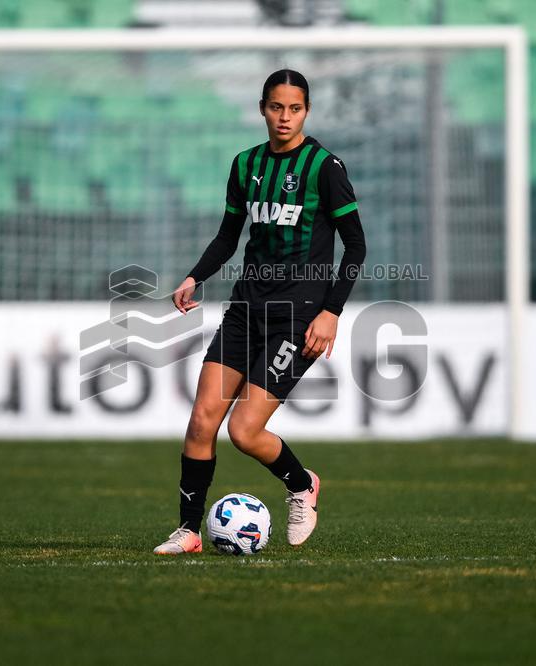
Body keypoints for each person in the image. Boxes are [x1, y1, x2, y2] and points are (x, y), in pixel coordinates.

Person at [153, 69, 367, 555]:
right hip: (246, 310)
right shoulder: (245, 164)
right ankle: (189, 531)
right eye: (276, 107)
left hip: (299, 317)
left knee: (244, 431)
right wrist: (194, 276)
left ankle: (301, 484)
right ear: (262, 109)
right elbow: (229, 236)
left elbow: (355, 246)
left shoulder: (324, 167)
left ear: (306, 111)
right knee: (202, 418)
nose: (284, 117)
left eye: (294, 108)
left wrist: (331, 312)